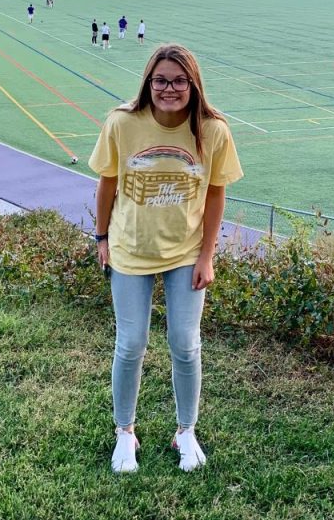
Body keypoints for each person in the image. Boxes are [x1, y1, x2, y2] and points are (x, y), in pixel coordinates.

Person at [89, 44, 243, 474]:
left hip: (186, 253)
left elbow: (216, 195)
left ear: (193, 85)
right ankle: (125, 433)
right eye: (160, 80)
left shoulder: (213, 131)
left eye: (179, 80)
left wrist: (207, 256)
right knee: (131, 344)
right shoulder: (122, 122)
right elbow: (107, 185)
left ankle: (186, 431)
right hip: (130, 250)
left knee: (185, 344)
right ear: (148, 83)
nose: (169, 88)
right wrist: (101, 237)